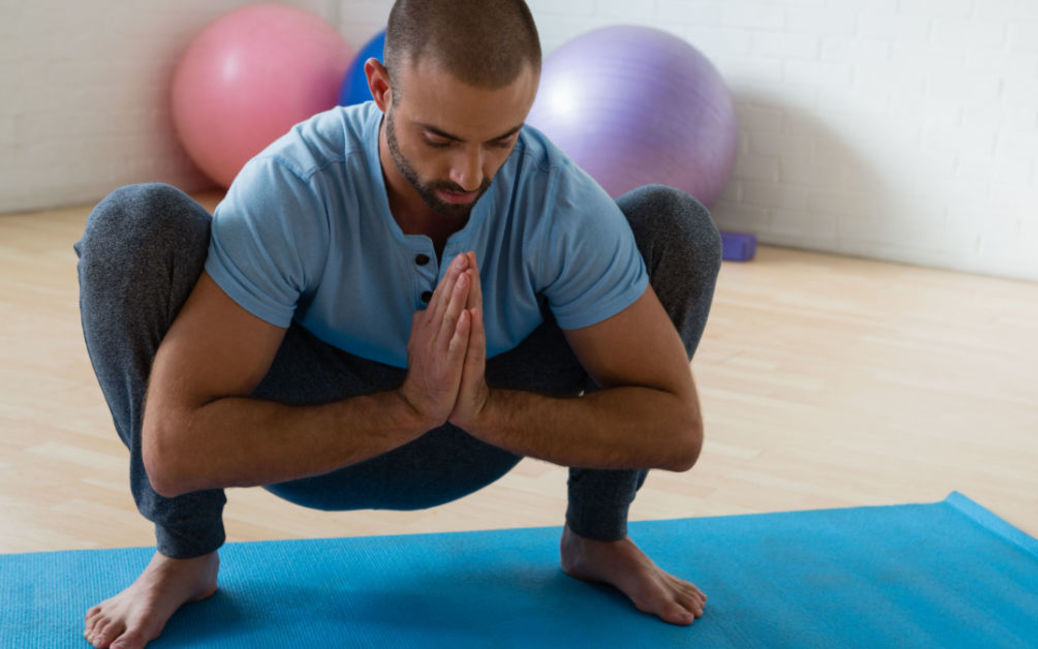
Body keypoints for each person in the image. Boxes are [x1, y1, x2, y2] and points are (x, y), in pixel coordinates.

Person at [74, 0, 721, 647]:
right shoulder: (294, 184)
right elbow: (174, 449)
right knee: (131, 226)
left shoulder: (559, 199)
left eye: (501, 139)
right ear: (381, 87)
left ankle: (598, 535)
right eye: (439, 138)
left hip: (482, 423)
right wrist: (411, 405)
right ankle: (184, 551)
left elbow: (678, 429)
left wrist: (481, 407)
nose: (471, 174)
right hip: (310, 429)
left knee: (674, 226)